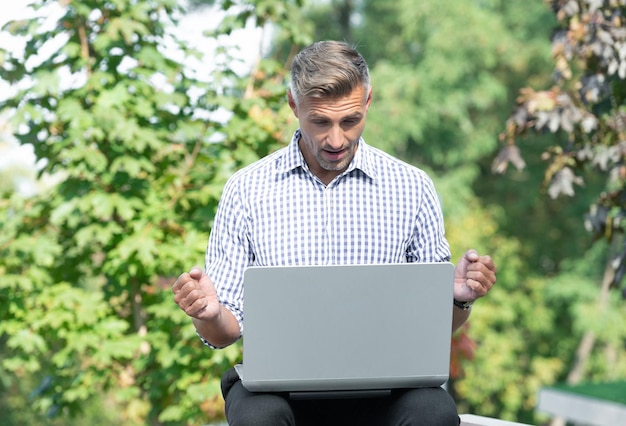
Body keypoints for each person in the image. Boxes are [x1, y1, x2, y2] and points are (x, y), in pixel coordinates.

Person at [172, 40, 497, 426]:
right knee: (257, 416)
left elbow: (434, 327)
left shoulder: (412, 187)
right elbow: (224, 333)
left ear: (368, 101)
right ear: (294, 106)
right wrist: (207, 313)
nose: (337, 139)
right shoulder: (246, 190)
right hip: (282, 393)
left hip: (388, 390)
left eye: (351, 120)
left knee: (434, 411)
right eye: (320, 122)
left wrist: (459, 301)